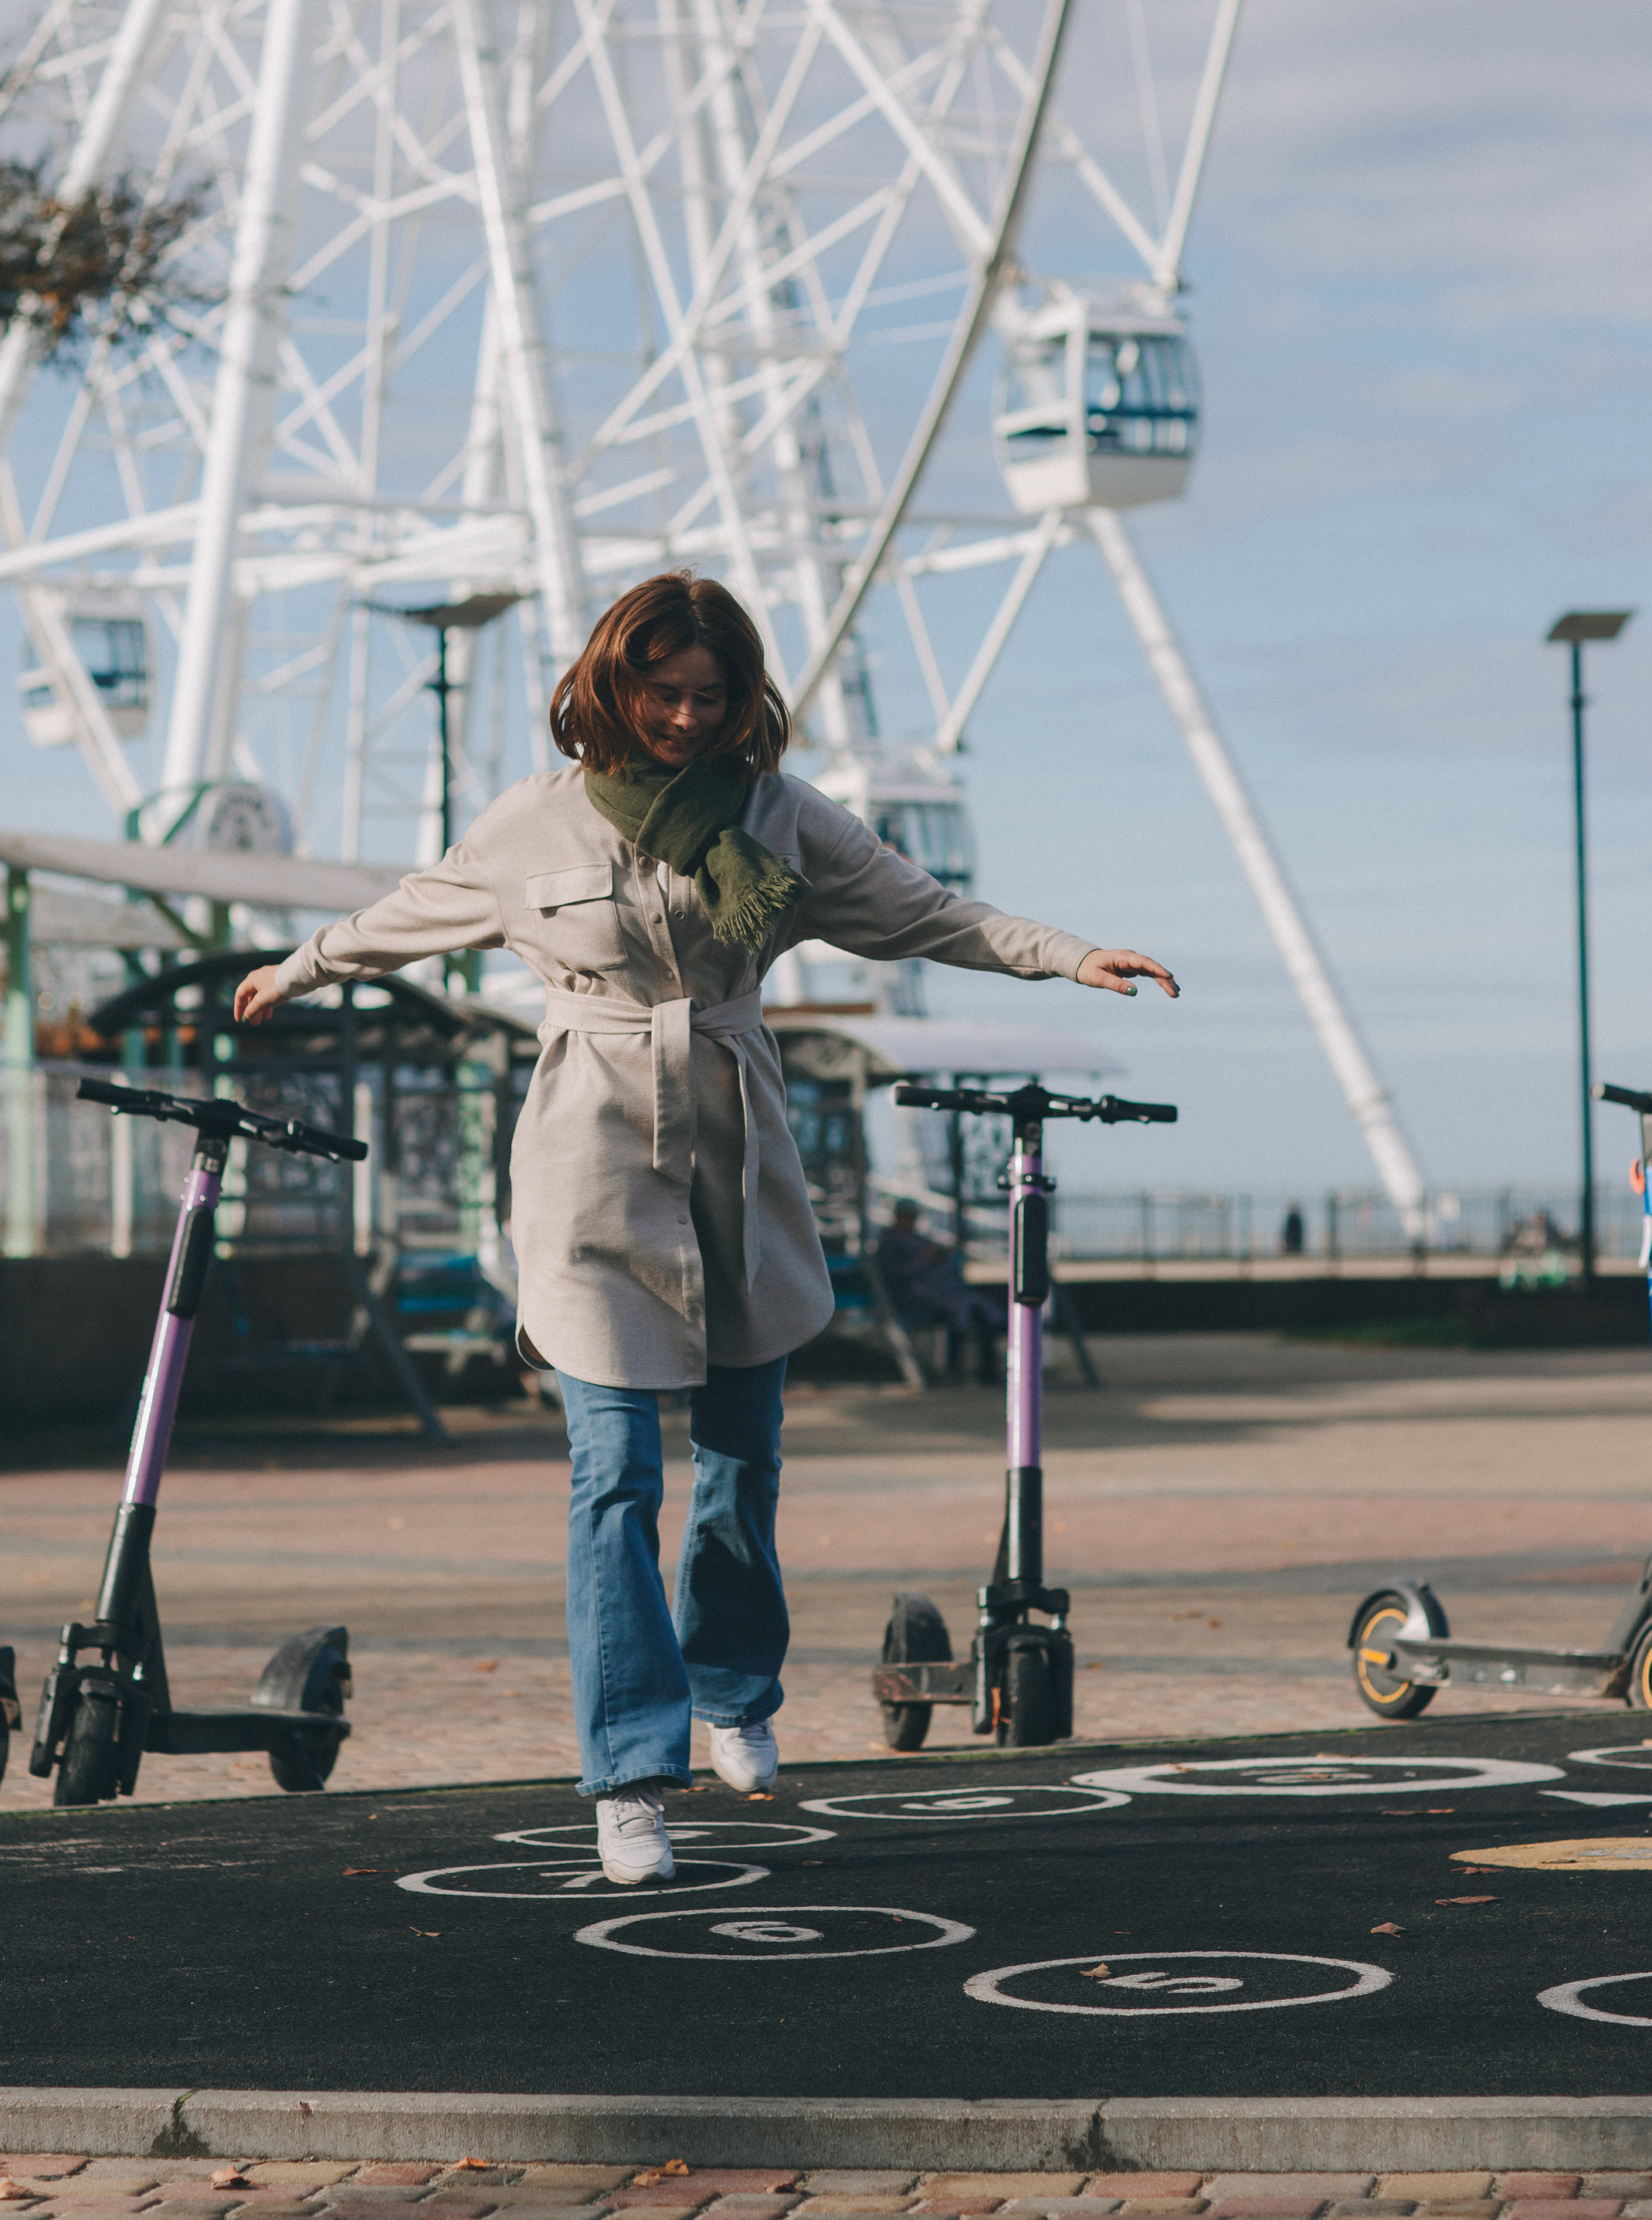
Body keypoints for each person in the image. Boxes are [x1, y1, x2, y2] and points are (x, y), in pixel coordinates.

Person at [233, 570, 1176, 1886]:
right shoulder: (534, 825)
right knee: (610, 1468)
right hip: (589, 1155)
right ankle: (629, 1772)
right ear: (613, 686)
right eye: (663, 693)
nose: (686, 718)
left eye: (710, 696)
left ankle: (734, 1690)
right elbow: (414, 912)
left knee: (744, 1453)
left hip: (736, 1142)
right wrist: (302, 964)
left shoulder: (783, 818)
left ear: (743, 701)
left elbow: (927, 910)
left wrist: (1071, 954)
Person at [875, 1197, 1005, 1381]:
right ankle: (954, 1371)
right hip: (913, 1295)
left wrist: (941, 1255)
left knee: (989, 1310)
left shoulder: (918, 1239)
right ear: (897, 1217)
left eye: (912, 1217)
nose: (910, 1221)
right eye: (906, 1217)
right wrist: (923, 1261)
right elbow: (895, 1275)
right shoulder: (889, 1243)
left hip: (945, 1291)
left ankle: (988, 1371)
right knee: (960, 1310)